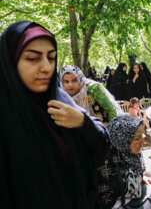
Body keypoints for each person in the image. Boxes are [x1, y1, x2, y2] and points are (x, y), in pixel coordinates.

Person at [0, 21, 110, 208]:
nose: (46, 67)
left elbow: (102, 147)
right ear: (10, 61)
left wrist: (84, 123)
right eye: (32, 58)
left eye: (51, 58)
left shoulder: (60, 101)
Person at [60, 65, 125, 208]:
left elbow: (112, 112)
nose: (70, 85)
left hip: (106, 136)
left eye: (74, 80)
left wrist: (110, 138)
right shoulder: (61, 95)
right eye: (66, 81)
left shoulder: (94, 88)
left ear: (81, 79)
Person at [107, 114, 151, 209]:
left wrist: (140, 177)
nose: (142, 142)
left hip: (134, 200)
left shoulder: (132, 155)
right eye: (137, 138)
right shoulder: (107, 165)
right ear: (122, 140)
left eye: (142, 136)